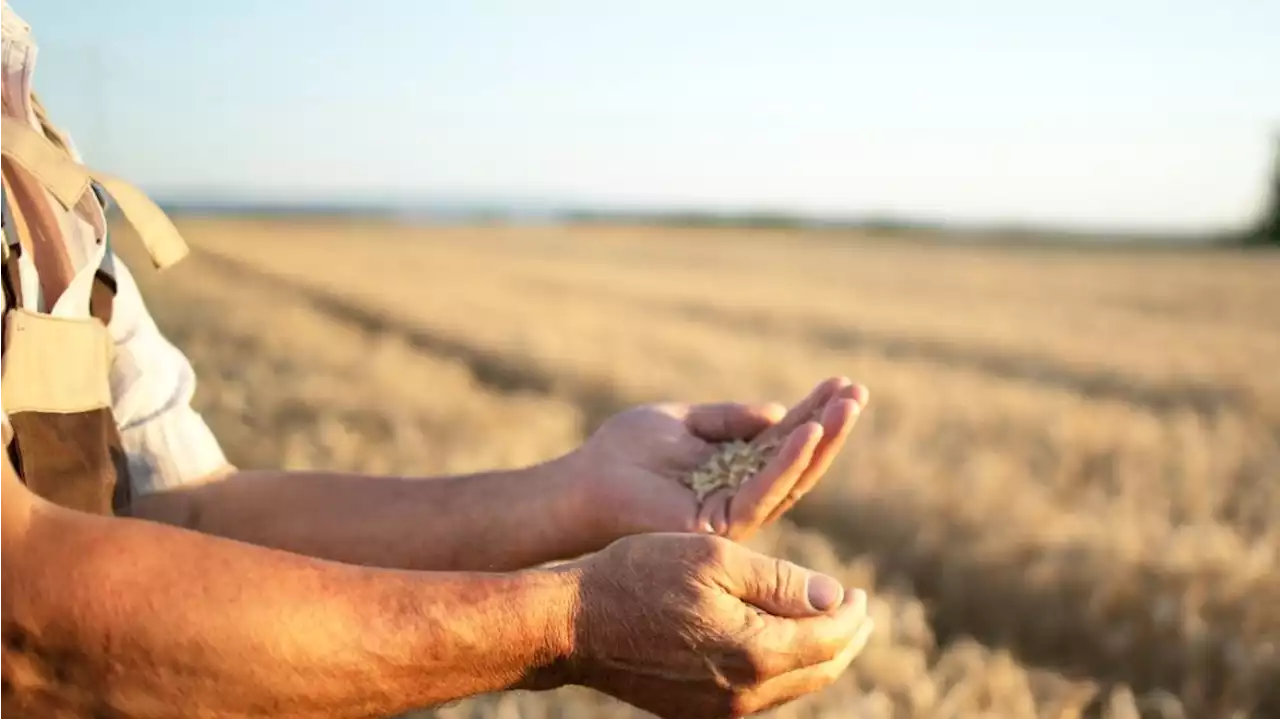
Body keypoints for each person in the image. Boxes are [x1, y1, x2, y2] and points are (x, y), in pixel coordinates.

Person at [0, 4, 873, 718]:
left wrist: (578, 490)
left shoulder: (29, 135)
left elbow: (184, 512)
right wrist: (571, 622)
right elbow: (20, 612)